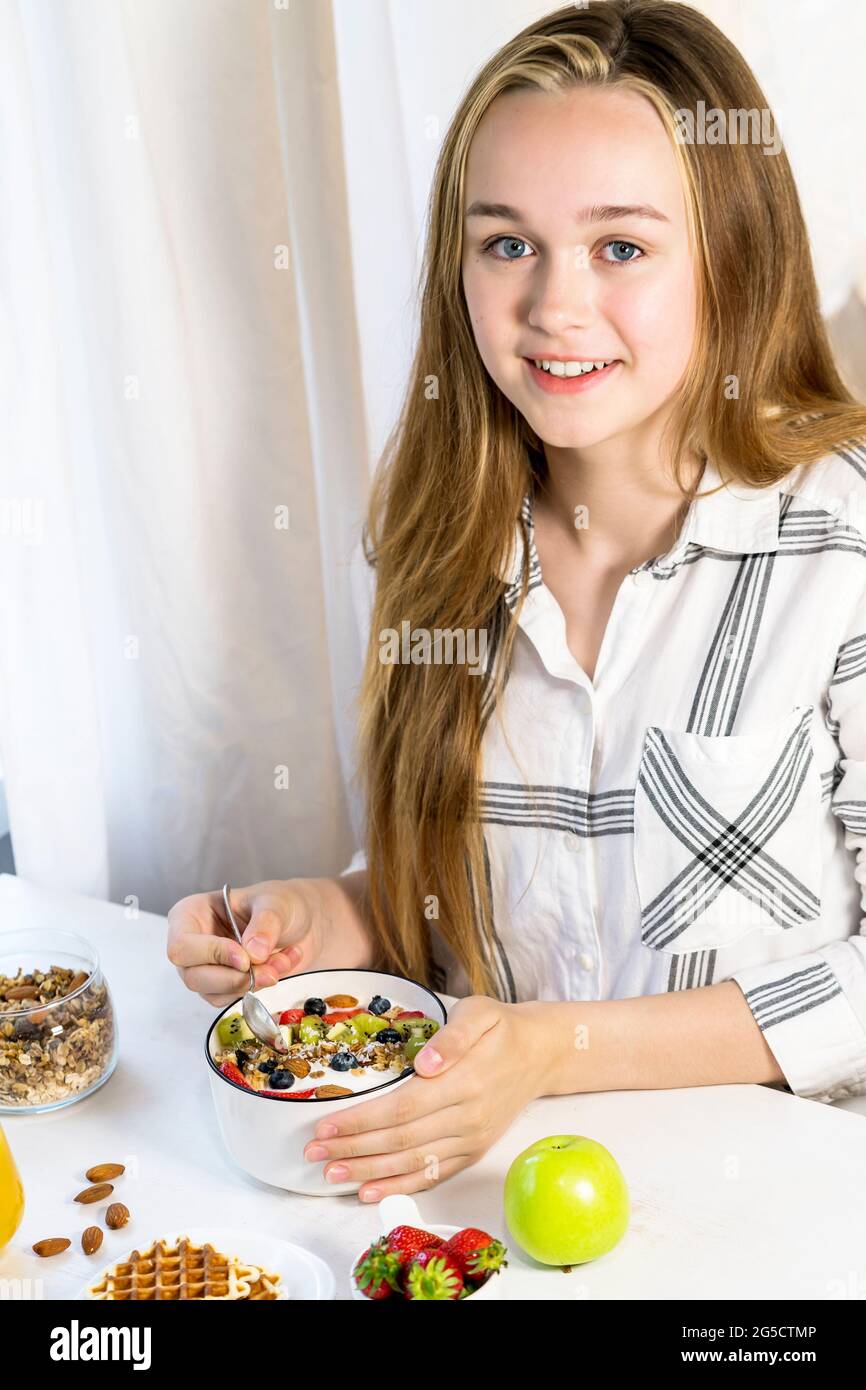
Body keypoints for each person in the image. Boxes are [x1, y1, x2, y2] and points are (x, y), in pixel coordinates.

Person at [167, 0, 866, 1202]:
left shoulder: (837, 546)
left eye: (621, 247)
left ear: (731, 254)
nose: (552, 306)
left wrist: (557, 1047)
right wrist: (321, 919)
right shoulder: (433, 541)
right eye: (506, 243)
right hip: (479, 1193)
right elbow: (448, 900)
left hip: (770, 1203)